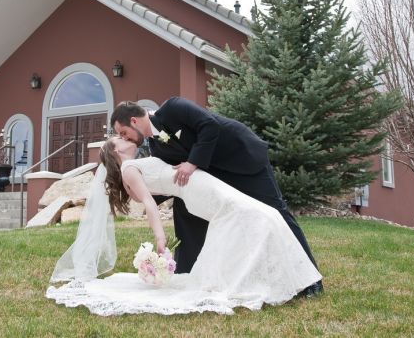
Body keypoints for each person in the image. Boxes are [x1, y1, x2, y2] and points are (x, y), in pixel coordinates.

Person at [46, 137, 322, 316]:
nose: (124, 137)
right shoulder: (130, 169)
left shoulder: (133, 165)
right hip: (198, 192)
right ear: (116, 150)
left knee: (264, 216)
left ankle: (284, 278)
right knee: (262, 216)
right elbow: (150, 204)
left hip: (198, 187)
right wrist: (160, 238)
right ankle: (281, 279)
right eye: (118, 138)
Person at [110, 97, 322, 296]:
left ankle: (311, 281)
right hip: (216, 179)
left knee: (277, 212)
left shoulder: (173, 108)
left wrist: (192, 163)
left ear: (134, 120)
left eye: (123, 132)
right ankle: (188, 275)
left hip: (242, 159)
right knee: (184, 211)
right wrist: (139, 193)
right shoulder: (156, 147)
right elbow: (172, 178)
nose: (124, 138)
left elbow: (209, 125)